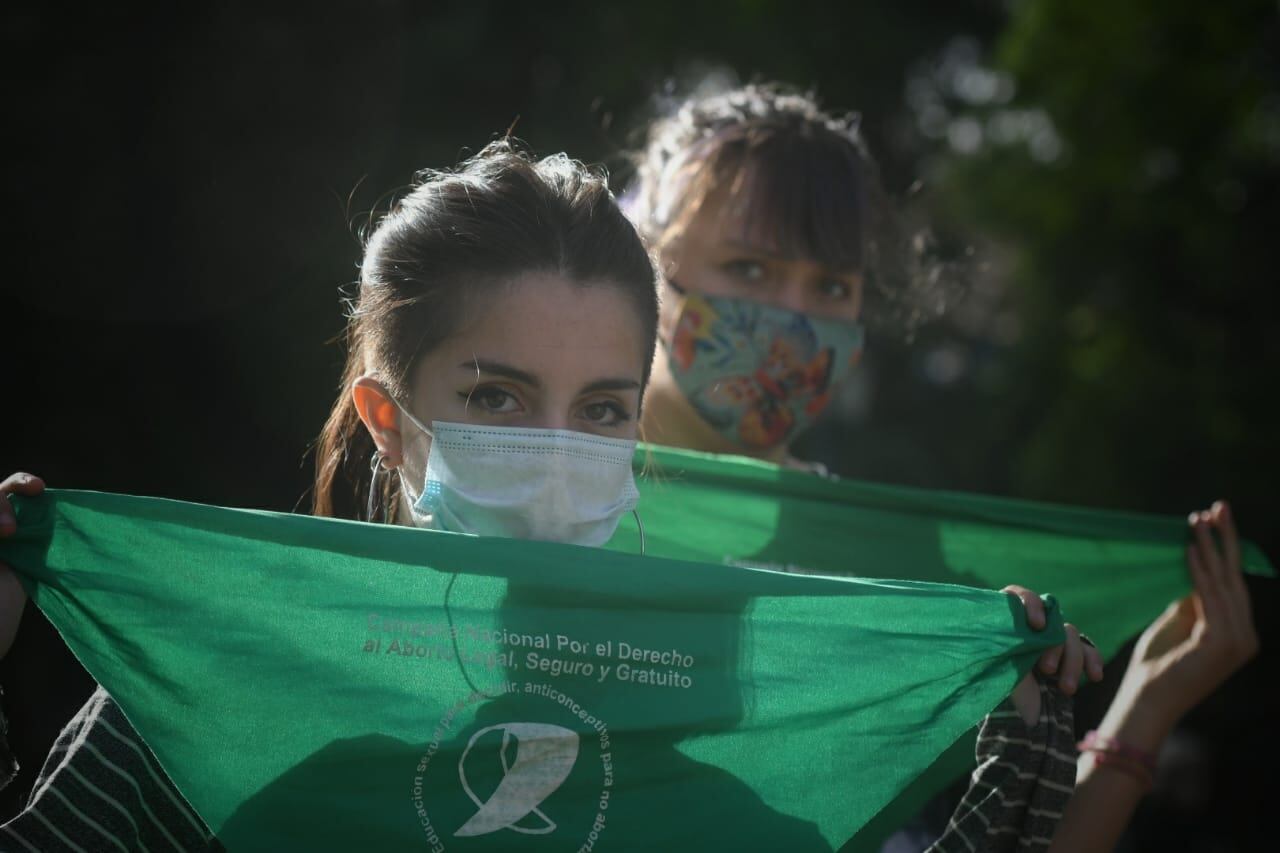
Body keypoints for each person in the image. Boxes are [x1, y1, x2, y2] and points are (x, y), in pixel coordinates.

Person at [0, 138, 1088, 851]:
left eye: (605, 408)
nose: (560, 451)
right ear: (391, 421)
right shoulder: (217, 704)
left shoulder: (707, 744)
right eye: (499, 396)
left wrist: (1029, 736)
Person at [623, 82, 1260, 851]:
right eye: (750, 269)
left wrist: (1146, 708)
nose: (794, 322)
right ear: (645, 264)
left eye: (830, 285)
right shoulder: (543, 501)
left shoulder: (888, 563)